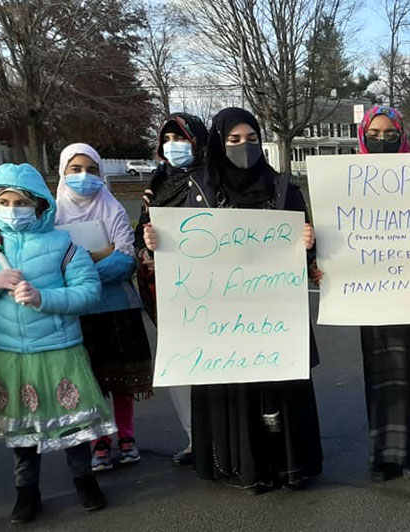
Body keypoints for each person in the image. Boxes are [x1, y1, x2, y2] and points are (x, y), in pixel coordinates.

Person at [143, 107, 323, 491]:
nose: (244, 147)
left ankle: (288, 465)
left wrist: (308, 244)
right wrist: (156, 242)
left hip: (276, 313)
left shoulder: (284, 188)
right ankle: (247, 465)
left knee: (280, 389)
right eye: (234, 140)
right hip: (225, 320)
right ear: (218, 143)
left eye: (252, 139)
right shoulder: (203, 191)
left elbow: (309, 255)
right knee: (237, 390)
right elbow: (184, 245)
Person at [313, 105, 410, 481]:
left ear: (402, 135)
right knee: (383, 377)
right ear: (362, 135)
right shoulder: (344, 180)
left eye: (391, 133)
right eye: (376, 133)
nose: (383, 139)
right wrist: (324, 263)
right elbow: (332, 236)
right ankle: (387, 455)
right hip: (371, 297)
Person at [0, 163, 113, 523]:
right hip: (12, 354)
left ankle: (84, 480)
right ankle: (26, 491)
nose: (12, 209)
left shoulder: (64, 245)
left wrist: (42, 297)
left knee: (71, 425)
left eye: (21, 202)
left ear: (41, 205)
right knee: (24, 431)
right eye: (4, 201)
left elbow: (89, 292)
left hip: (60, 350)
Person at [55, 143, 153, 472]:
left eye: (92, 170)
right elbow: (53, 266)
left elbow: (125, 262)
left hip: (118, 310)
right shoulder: (53, 215)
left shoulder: (112, 209)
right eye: (75, 170)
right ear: (62, 173)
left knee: (123, 381)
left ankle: (126, 437)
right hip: (79, 316)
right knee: (91, 381)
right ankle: (98, 441)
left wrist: (81, 269)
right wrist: (101, 255)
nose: (84, 177)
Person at [134, 113, 208, 466]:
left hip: (216, 291)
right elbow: (140, 239)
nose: (173, 146)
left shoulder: (214, 180)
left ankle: (222, 434)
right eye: (166, 139)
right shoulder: (157, 185)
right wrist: (147, 245)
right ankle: (195, 437)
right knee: (182, 368)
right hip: (172, 293)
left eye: (180, 138)